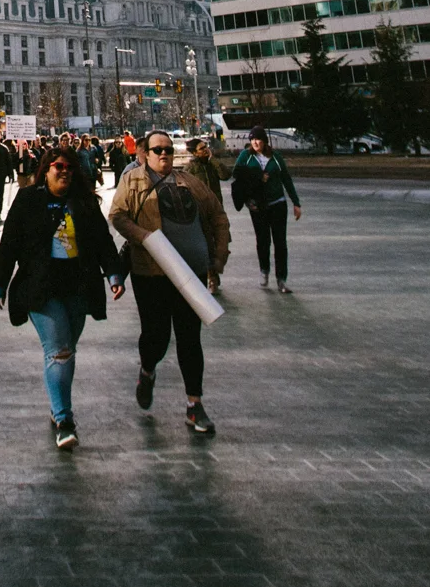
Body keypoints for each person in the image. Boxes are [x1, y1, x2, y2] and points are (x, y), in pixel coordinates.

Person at [0, 147, 125, 449]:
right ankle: (64, 419)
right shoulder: (28, 200)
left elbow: (104, 241)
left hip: (78, 284)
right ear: (46, 170)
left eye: (69, 167)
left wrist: (114, 275)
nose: (64, 171)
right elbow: (9, 243)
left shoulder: (85, 203)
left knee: (67, 349)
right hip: (41, 287)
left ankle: (57, 404)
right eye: (58, 166)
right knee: (59, 350)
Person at [110, 131, 230, 435]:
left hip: (190, 273)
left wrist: (217, 257)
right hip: (151, 272)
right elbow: (118, 216)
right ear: (145, 154)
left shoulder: (189, 180)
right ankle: (147, 370)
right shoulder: (133, 180)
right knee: (157, 336)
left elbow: (217, 214)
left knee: (190, 339)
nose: (164, 155)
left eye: (167, 150)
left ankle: (194, 405)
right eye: (157, 150)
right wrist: (145, 239)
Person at [232, 127, 301, 293]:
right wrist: (251, 194)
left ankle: (281, 279)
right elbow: (237, 176)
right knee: (263, 240)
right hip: (258, 206)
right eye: (253, 139)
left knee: (280, 242)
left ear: (265, 141)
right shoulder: (246, 156)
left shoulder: (275, 157)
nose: (256, 142)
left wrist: (296, 202)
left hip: (278, 203)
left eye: (259, 139)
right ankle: (264, 270)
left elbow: (286, 178)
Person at [185, 138, 223, 204]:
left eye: (205, 146)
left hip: (216, 206)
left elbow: (225, 175)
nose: (205, 149)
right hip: (201, 207)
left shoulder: (213, 163)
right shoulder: (190, 168)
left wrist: (212, 159)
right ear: (195, 153)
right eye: (201, 149)